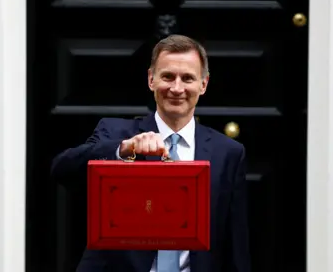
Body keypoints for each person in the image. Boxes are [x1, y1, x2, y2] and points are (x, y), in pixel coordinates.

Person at [51, 34, 251, 272]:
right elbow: (62, 170)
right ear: (151, 79)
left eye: (187, 78)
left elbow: (235, 244)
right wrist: (123, 149)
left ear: (203, 84)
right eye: (167, 76)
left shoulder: (228, 153)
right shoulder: (116, 132)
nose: (177, 88)